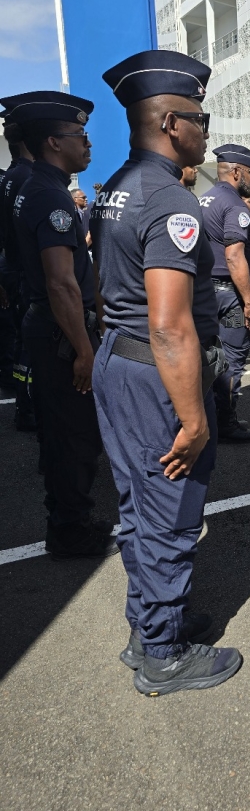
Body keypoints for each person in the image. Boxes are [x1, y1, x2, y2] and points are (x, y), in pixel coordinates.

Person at [91, 49, 241, 696]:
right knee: (173, 514)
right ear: (173, 123)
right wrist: (194, 417)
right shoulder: (169, 199)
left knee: (139, 507)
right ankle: (163, 653)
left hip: (117, 362)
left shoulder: (114, 186)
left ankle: (149, 623)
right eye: (201, 118)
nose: (207, 130)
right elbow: (170, 325)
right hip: (155, 372)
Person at [9, 91, 114, 559]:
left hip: (50, 329)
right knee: (74, 436)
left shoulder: (33, 184)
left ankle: (67, 518)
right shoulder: (49, 194)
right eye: (80, 136)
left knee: (62, 434)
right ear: (54, 141)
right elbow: (61, 284)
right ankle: (70, 529)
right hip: (60, 335)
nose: (88, 144)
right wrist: (85, 352)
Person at [199, 144, 250, 442]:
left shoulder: (204, 198)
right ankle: (225, 423)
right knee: (232, 360)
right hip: (229, 295)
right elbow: (235, 257)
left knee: (208, 357)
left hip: (205, 291)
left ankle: (211, 416)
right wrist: (249, 300)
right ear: (237, 171)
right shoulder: (235, 205)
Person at [0, 101, 35, 429]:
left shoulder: (10, 176)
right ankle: (28, 409)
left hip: (12, 271)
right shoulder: (27, 178)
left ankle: (24, 406)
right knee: (32, 344)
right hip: (27, 274)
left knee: (23, 342)